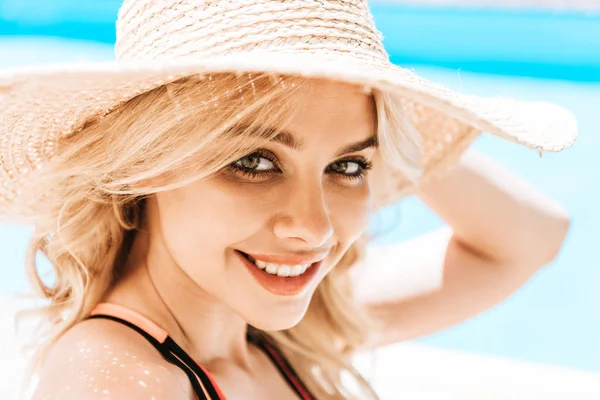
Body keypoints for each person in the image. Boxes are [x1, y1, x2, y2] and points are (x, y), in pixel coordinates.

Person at [0, 0, 576, 399]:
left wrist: (384, 110)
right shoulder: (113, 378)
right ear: (142, 166)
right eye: (253, 163)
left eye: (347, 166)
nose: (315, 227)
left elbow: (530, 238)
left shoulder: (276, 331)